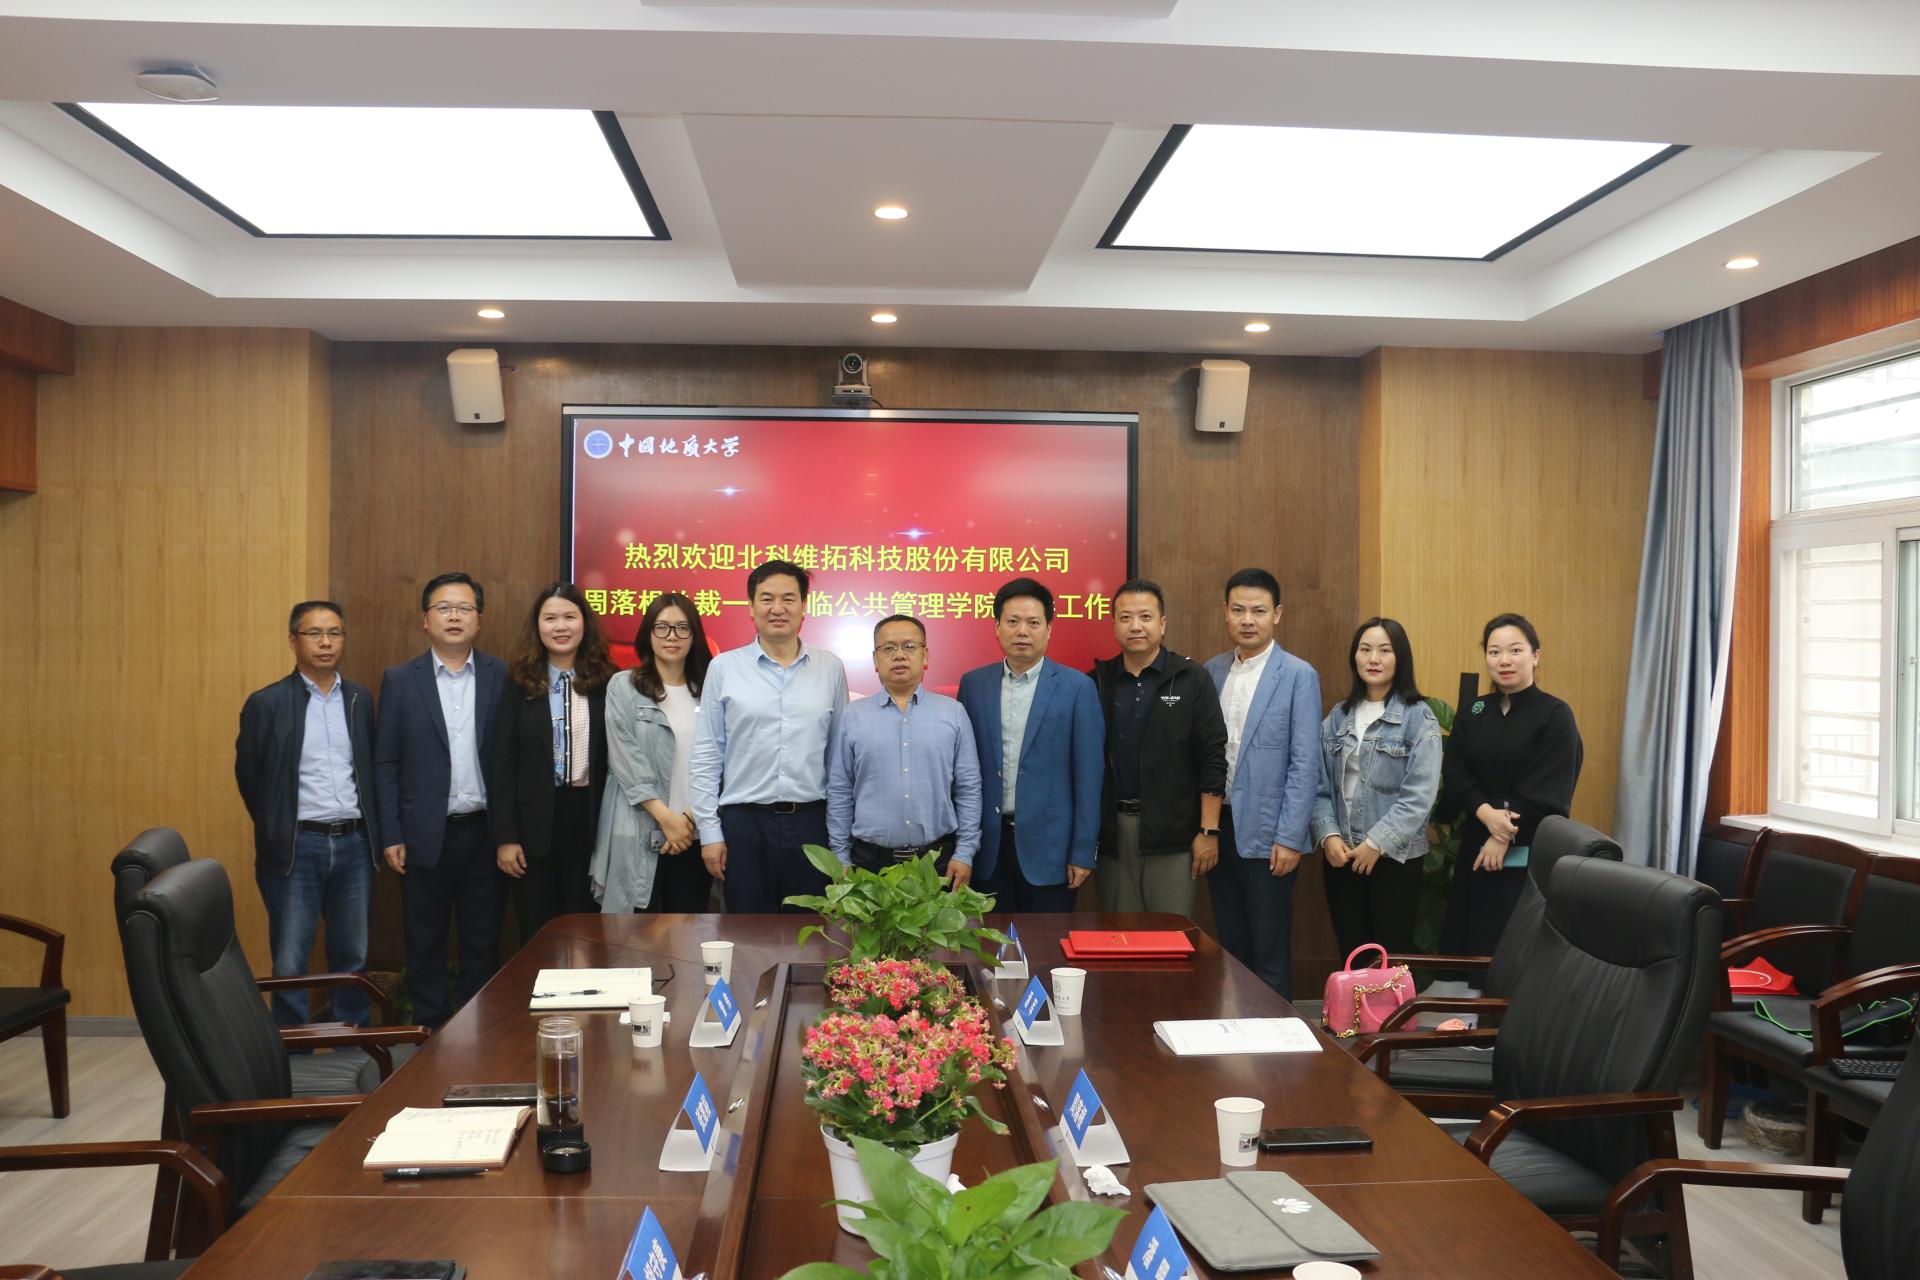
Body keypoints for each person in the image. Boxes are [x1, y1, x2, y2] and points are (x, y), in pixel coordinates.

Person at [235, 600, 381, 1026]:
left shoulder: (358, 699)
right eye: (314, 633)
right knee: (290, 957)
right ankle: (293, 1046)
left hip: (354, 843)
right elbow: (251, 778)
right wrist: (277, 826)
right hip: (296, 846)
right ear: (292, 640)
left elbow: (370, 769)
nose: (325, 642)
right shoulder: (267, 703)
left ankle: (352, 1038)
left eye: (334, 633)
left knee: (352, 953)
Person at [374, 572, 509, 1029]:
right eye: (444, 608)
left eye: (464, 608)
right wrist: (391, 832)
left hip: (485, 833)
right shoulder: (400, 680)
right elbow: (385, 763)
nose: (454, 616)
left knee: (482, 942)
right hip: (422, 835)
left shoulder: (500, 675)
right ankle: (428, 1035)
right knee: (424, 942)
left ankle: (478, 1034)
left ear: (479, 620)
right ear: (425, 619)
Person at [690, 560, 850, 912]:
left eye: (788, 599)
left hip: (812, 823)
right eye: (766, 598)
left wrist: (840, 843)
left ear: (804, 607)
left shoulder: (830, 668)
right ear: (751, 607)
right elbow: (706, 755)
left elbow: (838, 761)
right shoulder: (724, 667)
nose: (777, 608)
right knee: (746, 933)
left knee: (810, 931)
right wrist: (710, 833)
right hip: (744, 824)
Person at [1203, 568, 1322, 997]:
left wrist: (1290, 837)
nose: (1248, 620)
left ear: (1277, 614)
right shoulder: (1212, 671)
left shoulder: (1298, 675)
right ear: (1225, 612)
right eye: (1239, 610)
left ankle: (1275, 1033)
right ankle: (1234, 1025)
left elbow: (1305, 762)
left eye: (1258, 610)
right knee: (1231, 942)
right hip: (1220, 826)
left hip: (1271, 832)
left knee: (1270, 948)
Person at [1439, 612, 1583, 958]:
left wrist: (1502, 834)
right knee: (1472, 943)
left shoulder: (1555, 714)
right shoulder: (1475, 709)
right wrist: (1486, 814)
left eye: (1515, 650)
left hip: (1530, 842)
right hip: (1477, 838)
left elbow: (1550, 787)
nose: (1504, 660)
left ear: (1535, 656)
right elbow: (1456, 769)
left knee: (1514, 946)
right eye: (1494, 652)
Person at [956, 578, 1104, 912]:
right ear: (997, 628)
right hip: (987, 849)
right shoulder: (974, 685)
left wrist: (1083, 851)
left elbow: (1089, 778)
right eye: (1012, 621)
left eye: (1033, 623)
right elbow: (962, 770)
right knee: (985, 942)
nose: (1022, 631)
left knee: (1046, 942)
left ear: (1049, 629)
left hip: (1051, 850)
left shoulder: (1077, 687)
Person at [1090, 580, 1227, 917]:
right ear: (1113, 625)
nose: (1135, 626)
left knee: (1170, 935)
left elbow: (1212, 756)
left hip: (1174, 835)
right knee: (1120, 935)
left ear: (1162, 624)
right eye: (1125, 618)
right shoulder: (1096, 682)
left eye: (1145, 617)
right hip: (1113, 835)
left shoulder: (1192, 678)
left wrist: (1208, 831)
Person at [1309, 617, 1442, 958]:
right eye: (1365, 649)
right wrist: (1328, 835)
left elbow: (1419, 797)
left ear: (1400, 658)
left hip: (1394, 859)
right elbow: (1318, 786)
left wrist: (1376, 843)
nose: (1373, 658)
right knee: (1352, 956)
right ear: (1354, 656)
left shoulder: (1418, 718)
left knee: (1389, 960)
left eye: (1385, 650)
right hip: (1342, 856)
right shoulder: (1338, 716)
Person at [491, 582, 614, 940]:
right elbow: (502, 765)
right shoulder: (518, 682)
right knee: (537, 930)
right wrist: (506, 837)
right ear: (538, 626)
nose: (560, 626)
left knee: (585, 931)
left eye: (569, 617)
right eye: (550, 618)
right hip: (532, 826)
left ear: (584, 623)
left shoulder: (608, 680)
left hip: (590, 819)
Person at [827, 614, 983, 883]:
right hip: (869, 863)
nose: (899, 655)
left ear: (925, 655)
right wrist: (840, 857)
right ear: (875, 660)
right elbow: (840, 790)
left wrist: (965, 852)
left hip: (938, 861)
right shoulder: (852, 716)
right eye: (888, 648)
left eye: (909, 646)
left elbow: (968, 788)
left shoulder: (954, 713)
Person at [591, 592, 715, 914]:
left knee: (688, 935)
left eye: (682, 628)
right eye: (662, 627)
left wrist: (686, 820)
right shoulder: (623, 686)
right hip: (637, 831)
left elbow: (721, 760)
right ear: (648, 633)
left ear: (694, 636)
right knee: (631, 937)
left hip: (693, 834)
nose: (672, 636)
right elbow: (624, 758)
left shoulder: (711, 690)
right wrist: (666, 819)